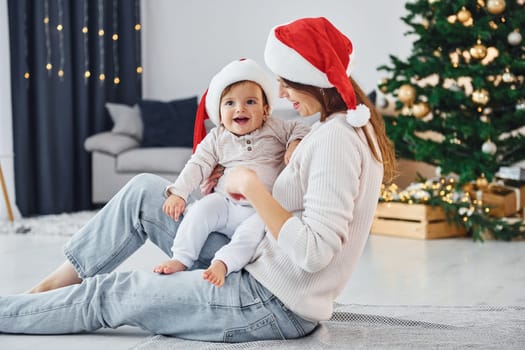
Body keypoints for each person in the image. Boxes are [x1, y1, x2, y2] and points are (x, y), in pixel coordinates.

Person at [0, 17, 396, 342]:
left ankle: (11, 312)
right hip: (254, 260)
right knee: (144, 192)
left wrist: (252, 188)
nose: (280, 92)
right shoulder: (334, 129)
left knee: (112, 292)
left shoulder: (337, 142)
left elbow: (313, 253)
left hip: (270, 301)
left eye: (286, 82)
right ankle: (51, 288)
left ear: (311, 77)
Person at [153, 58, 310, 287]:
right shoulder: (217, 137)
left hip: (260, 209)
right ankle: (181, 257)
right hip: (225, 204)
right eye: (230, 103)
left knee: (250, 238)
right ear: (219, 112)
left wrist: (295, 142)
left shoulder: (275, 127)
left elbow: (302, 127)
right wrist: (179, 192)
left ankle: (223, 263)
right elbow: (198, 164)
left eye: (250, 101)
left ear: (265, 110)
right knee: (200, 211)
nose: (240, 108)